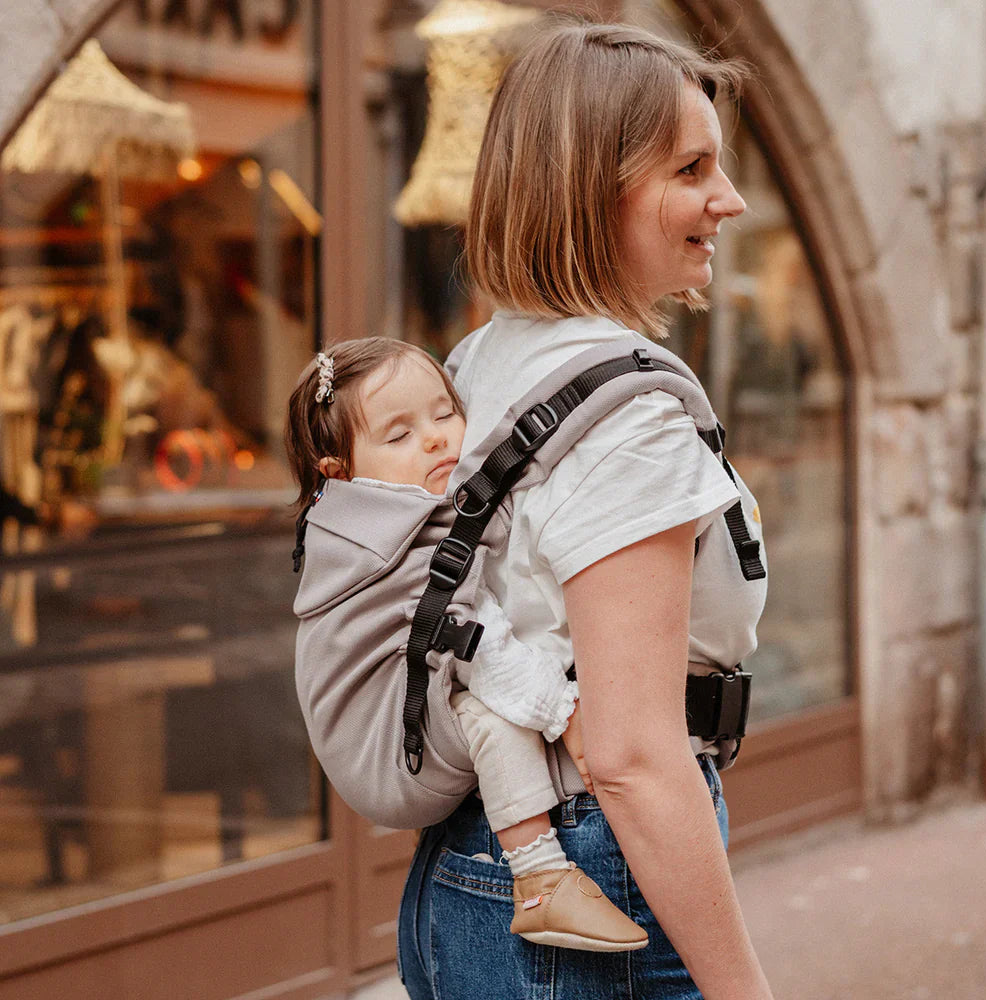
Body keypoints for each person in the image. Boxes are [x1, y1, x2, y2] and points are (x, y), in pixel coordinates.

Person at [396, 21, 774, 1000]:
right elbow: (632, 757)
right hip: (588, 875)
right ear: (587, 191)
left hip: (474, 861)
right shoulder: (630, 413)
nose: (729, 199)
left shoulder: (482, 359)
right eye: (690, 168)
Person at [285, 335, 648, 952]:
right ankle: (540, 879)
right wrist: (565, 715)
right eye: (398, 436)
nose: (433, 439)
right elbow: (476, 644)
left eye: (444, 413)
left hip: (401, 721)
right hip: (385, 752)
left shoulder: (390, 516)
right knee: (490, 714)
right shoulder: (380, 546)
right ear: (339, 472)